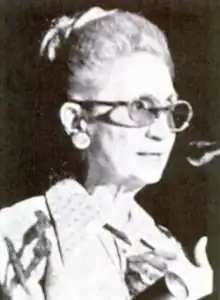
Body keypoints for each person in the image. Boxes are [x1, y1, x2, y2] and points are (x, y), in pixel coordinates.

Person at [0, 6, 213, 300]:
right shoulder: (17, 235)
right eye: (140, 108)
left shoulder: (166, 250)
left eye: (169, 110)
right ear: (77, 122)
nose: (162, 132)